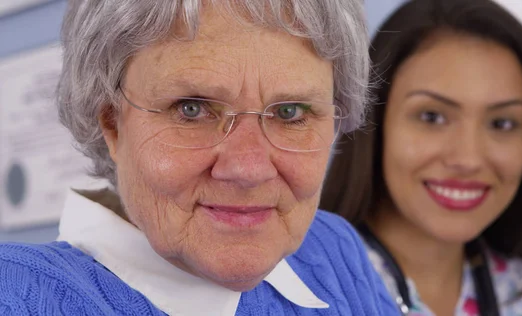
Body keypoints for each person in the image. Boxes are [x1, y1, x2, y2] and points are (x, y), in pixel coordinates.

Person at [0, 1, 401, 315]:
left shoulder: (332, 248)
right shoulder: (15, 296)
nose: (248, 168)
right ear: (111, 122)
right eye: (192, 108)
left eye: (290, 112)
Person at [320, 0, 522, 315]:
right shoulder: (298, 290)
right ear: (373, 122)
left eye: (502, 123)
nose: (468, 158)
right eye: (432, 117)